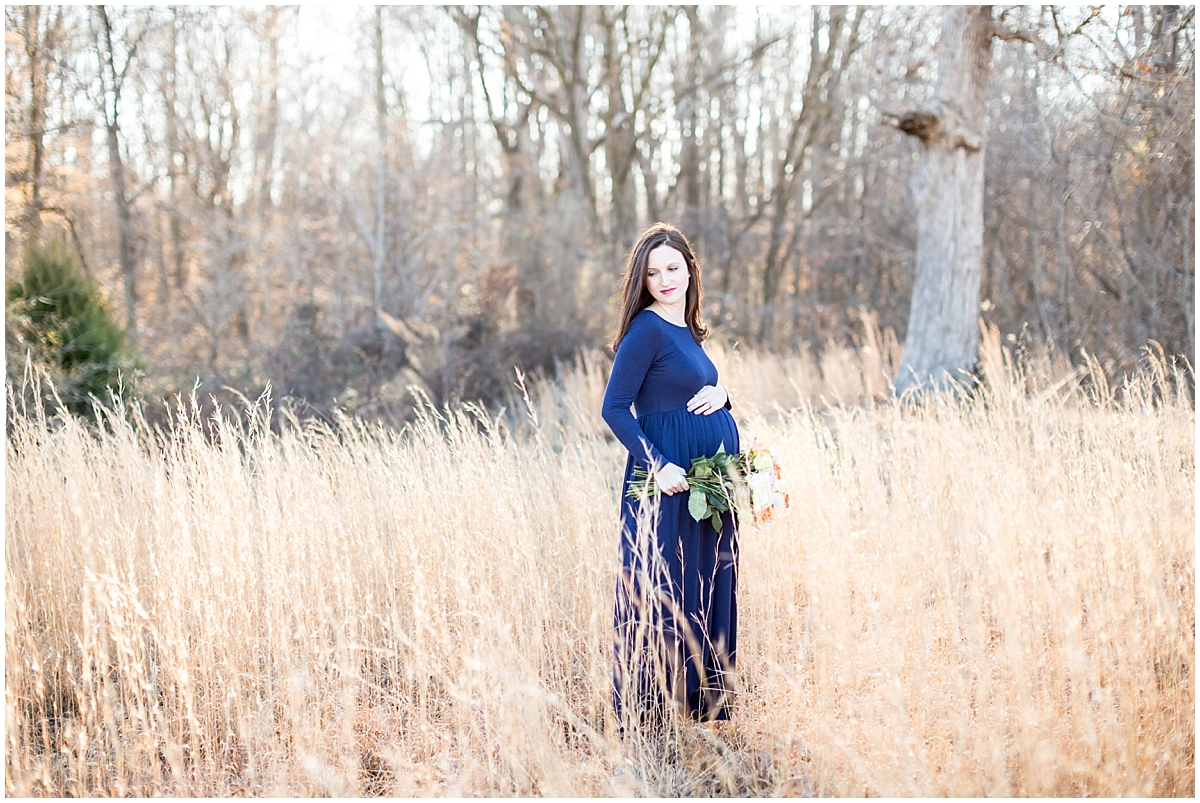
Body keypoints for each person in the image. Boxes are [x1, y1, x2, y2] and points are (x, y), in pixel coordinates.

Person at [601, 222, 740, 733]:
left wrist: (725, 396)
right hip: (666, 482)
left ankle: (694, 706)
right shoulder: (646, 331)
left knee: (699, 584)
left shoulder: (687, 330)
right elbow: (614, 408)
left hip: (705, 489)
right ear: (642, 278)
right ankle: (647, 718)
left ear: (689, 271)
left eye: (673, 268)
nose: (665, 278)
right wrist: (658, 464)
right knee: (662, 588)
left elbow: (695, 392)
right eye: (654, 271)